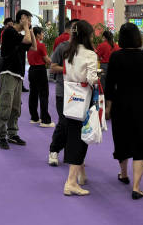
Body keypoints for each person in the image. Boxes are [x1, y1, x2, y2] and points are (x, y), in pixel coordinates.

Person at [104, 23, 143, 199]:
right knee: (139, 144)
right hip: (142, 105)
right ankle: (136, 187)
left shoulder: (115, 57)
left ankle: (123, 174)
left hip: (121, 104)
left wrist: (108, 106)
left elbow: (109, 84)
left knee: (121, 139)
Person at [61, 20, 99, 196]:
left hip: (71, 97)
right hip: (84, 98)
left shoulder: (69, 51)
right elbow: (91, 79)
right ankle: (71, 182)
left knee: (73, 135)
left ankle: (80, 175)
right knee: (81, 138)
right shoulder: (90, 54)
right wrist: (98, 77)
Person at [0, 9, 33, 149]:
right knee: (5, 105)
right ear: (22, 18)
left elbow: (33, 46)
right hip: (8, 73)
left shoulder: (18, 36)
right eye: (28, 19)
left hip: (18, 75)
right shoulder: (10, 32)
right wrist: (26, 27)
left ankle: (12, 133)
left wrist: (30, 30)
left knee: (16, 107)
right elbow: (27, 40)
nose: (29, 23)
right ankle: (1, 135)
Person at [48, 20, 74, 166]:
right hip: (63, 91)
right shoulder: (62, 47)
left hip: (80, 93)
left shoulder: (85, 49)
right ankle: (54, 150)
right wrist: (69, 70)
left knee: (75, 125)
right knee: (63, 123)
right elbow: (52, 67)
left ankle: (72, 155)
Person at [27, 26, 53, 127]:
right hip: (40, 70)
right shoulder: (41, 45)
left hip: (32, 70)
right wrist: (52, 61)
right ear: (37, 35)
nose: (43, 35)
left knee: (33, 94)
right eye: (42, 33)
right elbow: (47, 60)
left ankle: (34, 117)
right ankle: (45, 120)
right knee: (43, 95)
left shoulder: (29, 45)